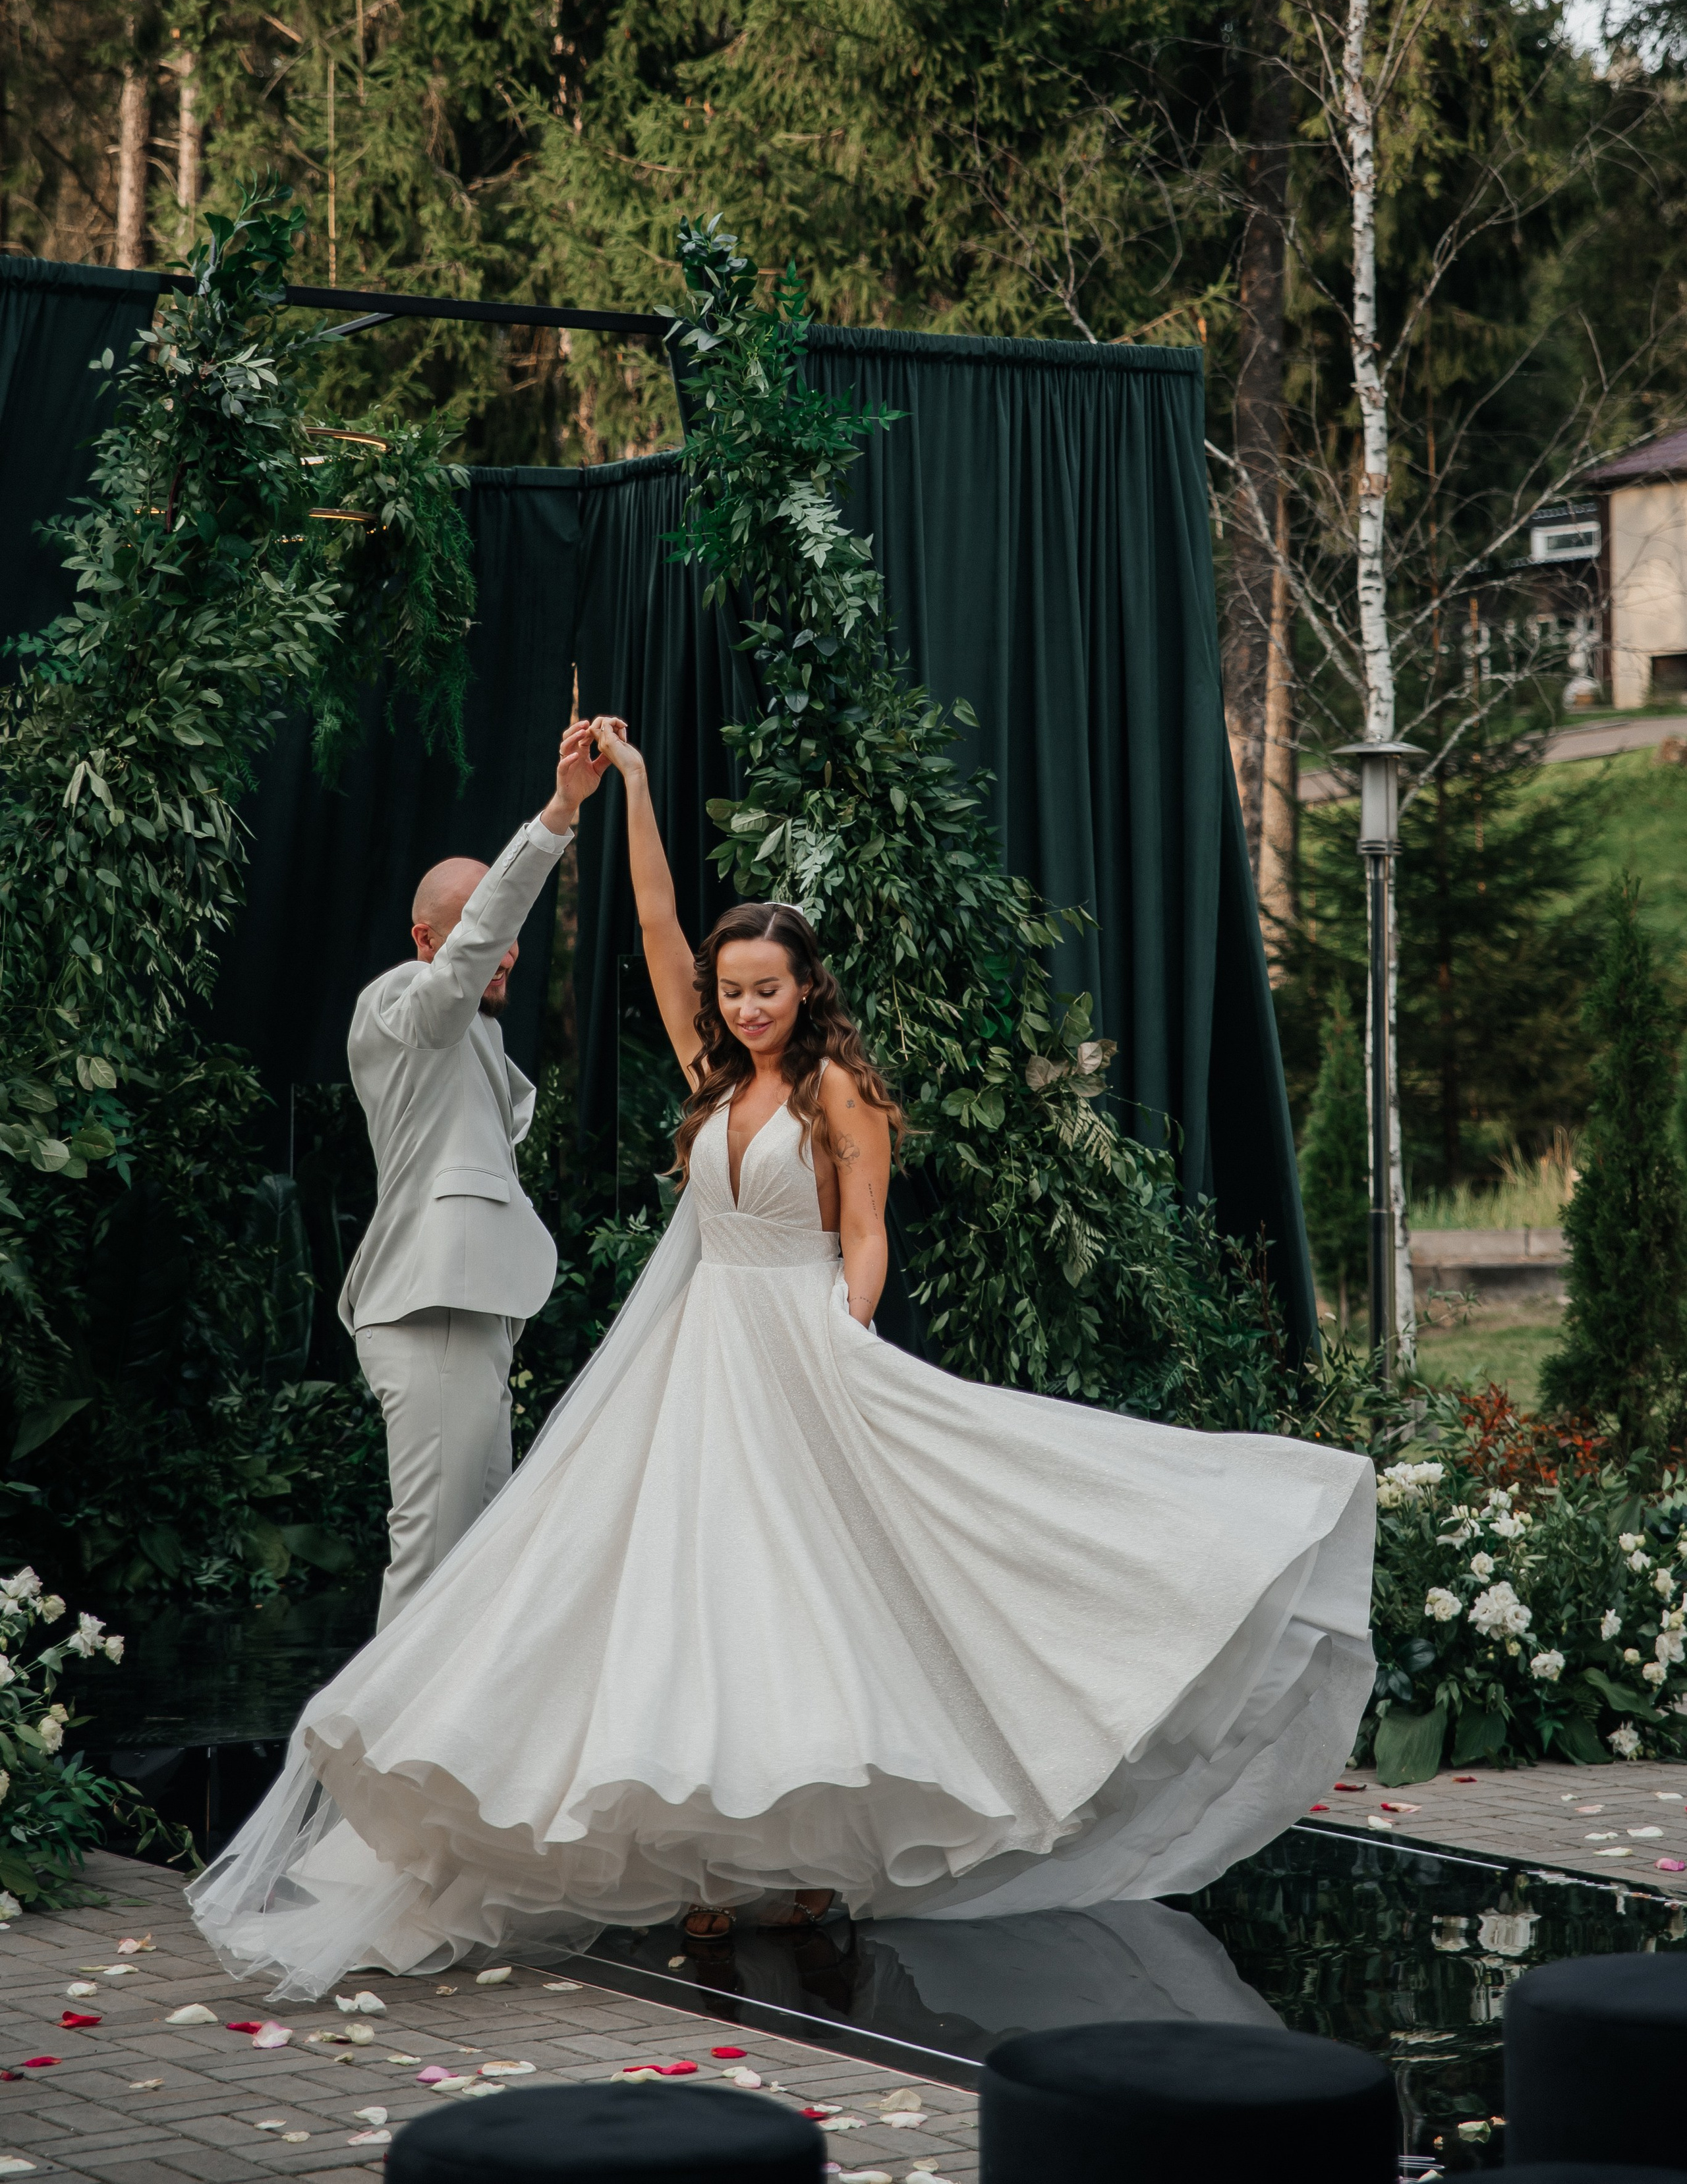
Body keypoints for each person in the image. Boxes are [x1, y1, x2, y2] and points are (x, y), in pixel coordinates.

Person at [188, 717, 1375, 2001]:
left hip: (797, 1345)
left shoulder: (838, 1095)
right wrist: (630, 789)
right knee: (698, 1598)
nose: (747, 1003)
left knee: (802, 1592)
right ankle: (706, 1854)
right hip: (695, 1359)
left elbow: (863, 1238)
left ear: (805, 989)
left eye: (767, 985)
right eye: (733, 986)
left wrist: (843, 1331)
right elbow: (651, 929)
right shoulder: (692, 1069)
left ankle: (810, 1848)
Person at [339, 722, 604, 1629]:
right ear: (429, 940)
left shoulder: (476, 1039)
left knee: (480, 1574)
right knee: (433, 1568)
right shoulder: (401, 1007)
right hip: (430, 1310)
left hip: (476, 1316)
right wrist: (560, 814)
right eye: (487, 931)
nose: (511, 951)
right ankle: (367, 1776)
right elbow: (474, 947)